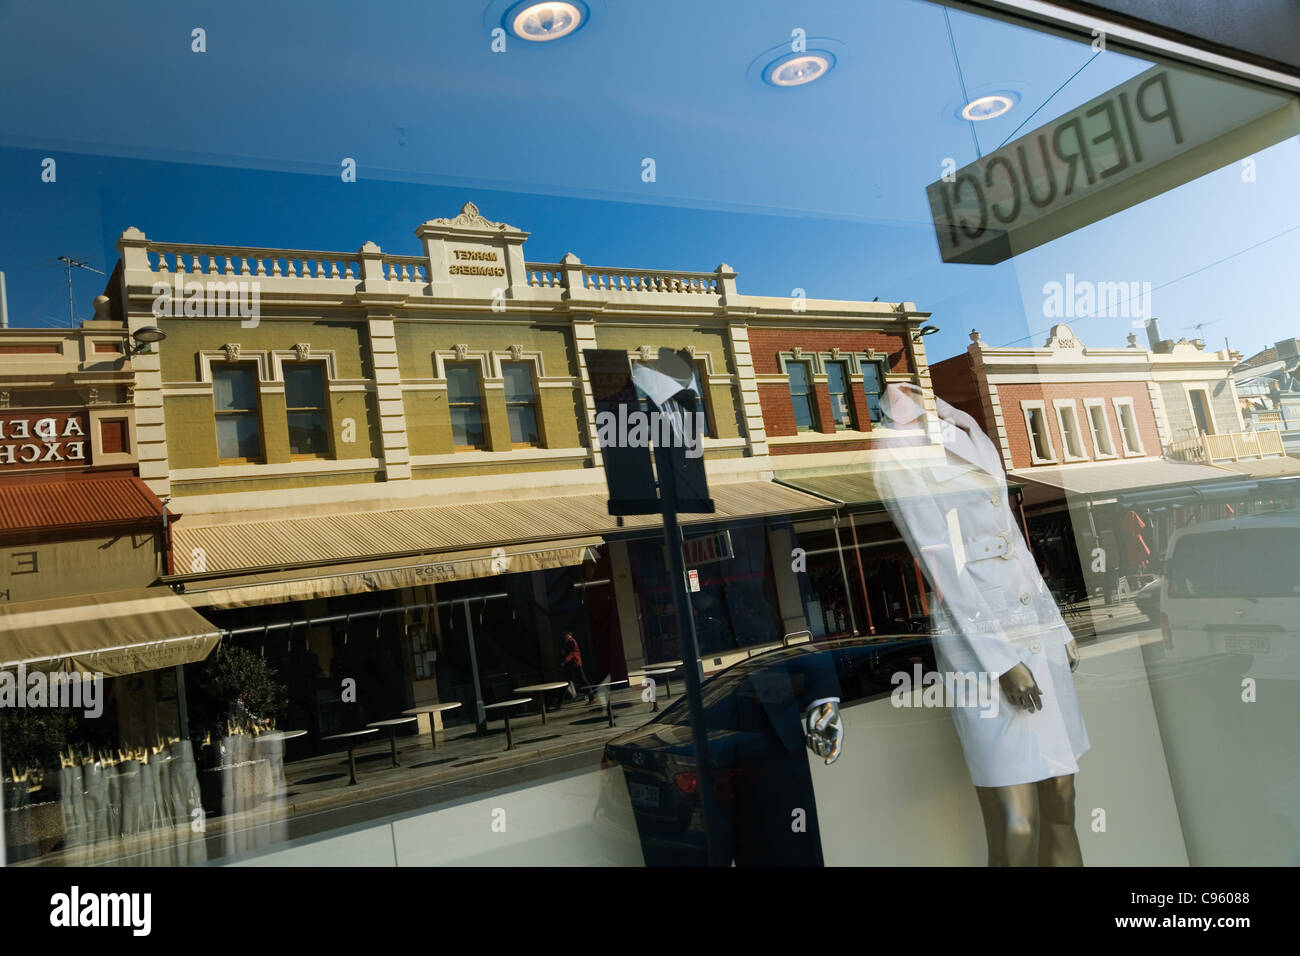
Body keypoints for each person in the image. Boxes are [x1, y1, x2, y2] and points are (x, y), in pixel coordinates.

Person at [560, 632, 594, 705]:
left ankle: (592, 697)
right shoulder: (567, 642)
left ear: (569, 635)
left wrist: (565, 661)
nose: (565, 636)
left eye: (566, 635)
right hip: (571, 665)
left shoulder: (572, 641)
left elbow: (572, 653)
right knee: (566, 682)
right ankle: (559, 702)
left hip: (575, 664)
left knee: (583, 681)